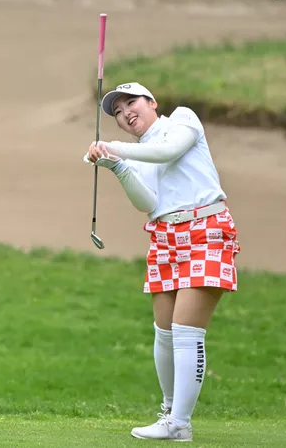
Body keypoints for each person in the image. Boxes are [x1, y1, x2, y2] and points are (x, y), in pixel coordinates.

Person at [83, 82, 241, 442]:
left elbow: (167, 151)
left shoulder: (183, 120)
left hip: (206, 229)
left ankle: (180, 422)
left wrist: (113, 148)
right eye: (118, 112)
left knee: (186, 331)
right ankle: (169, 415)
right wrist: (116, 166)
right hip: (165, 237)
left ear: (152, 102)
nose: (125, 113)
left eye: (131, 103)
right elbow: (148, 203)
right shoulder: (139, 154)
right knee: (165, 332)